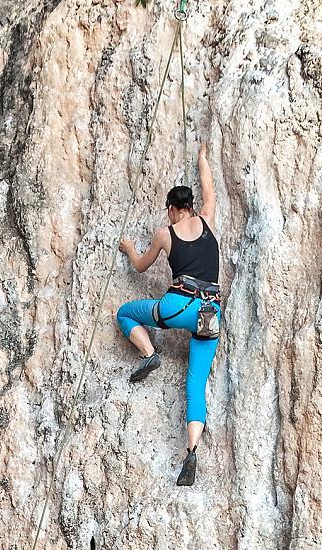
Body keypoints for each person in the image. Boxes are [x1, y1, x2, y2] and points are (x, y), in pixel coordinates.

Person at [117, 141, 221, 487]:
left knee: (126, 314)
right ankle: (191, 451)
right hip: (210, 312)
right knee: (195, 384)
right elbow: (209, 188)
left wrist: (130, 248)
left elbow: (142, 267)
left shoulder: (165, 234)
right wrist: (203, 158)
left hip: (178, 306)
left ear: (175, 209)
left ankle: (149, 354)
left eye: (168, 210)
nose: (167, 215)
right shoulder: (207, 219)